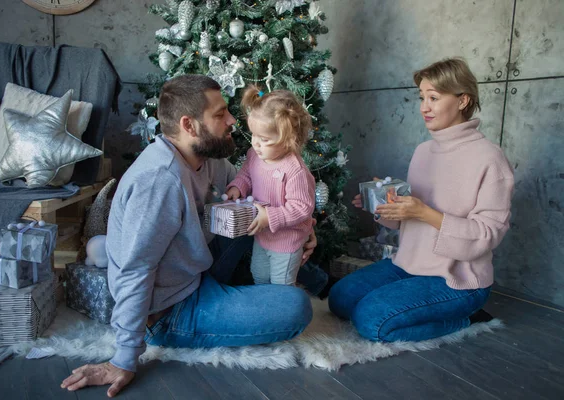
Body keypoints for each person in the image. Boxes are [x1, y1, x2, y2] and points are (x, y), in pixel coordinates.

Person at [61, 75, 315, 397]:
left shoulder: (205, 159)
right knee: (295, 306)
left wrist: (304, 228)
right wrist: (123, 359)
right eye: (221, 114)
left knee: (248, 218)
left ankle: (282, 277)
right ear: (189, 125)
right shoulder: (159, 182)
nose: (233, 121)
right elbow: (134, 270)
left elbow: (263, 194)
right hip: (170, 309)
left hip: (194, 271)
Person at [329, 58, 514, 343]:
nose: (424, 107)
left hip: (458, 279)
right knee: (340, 299)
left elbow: (487, 235)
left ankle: (466, 318)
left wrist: (426, 212)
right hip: (408, 264)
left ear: (463, 100)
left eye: (434, 98)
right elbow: (409, 222)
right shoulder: (424, 151)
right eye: (421, 98)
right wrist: (383, 204)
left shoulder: (490, 158)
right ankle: (412, 302)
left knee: (371, 321)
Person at [226, 86, 316, 285]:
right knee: (259, 276)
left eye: (264, 139)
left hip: (287, 241)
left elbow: (302, 208)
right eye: (254, 135)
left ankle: (284, 314)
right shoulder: (254, 155)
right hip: (262, 236)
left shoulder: (295, 170)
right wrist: (238, 187)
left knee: (281, 284)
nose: (256, 144)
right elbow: (247, 174)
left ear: (288, 140)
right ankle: (266, 312)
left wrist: (270, 216)